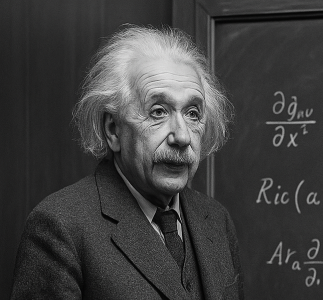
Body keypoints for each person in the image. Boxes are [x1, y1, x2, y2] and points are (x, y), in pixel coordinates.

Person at [11, 26, 242, 299]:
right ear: (113, 129)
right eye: (158, 111)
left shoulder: (216, 219)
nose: (182, 136)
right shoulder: (60, 227)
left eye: (193, 113)